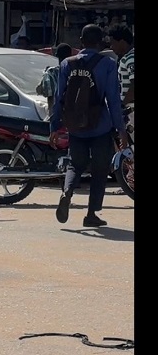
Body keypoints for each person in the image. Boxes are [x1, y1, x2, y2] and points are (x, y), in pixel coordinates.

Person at [50, 25, 128, 228]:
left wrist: (54, 127)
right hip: (100, 126)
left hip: (75, 126)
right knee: (100, 170)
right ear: (101, 42)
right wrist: (120, 129)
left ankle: (67, 192)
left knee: (75, 164)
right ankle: (91, 214)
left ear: (81, 41)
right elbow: (112, 99)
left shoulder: (67, 63)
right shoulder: (108, 64)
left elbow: (59, 98)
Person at [36, 43, 73, 115]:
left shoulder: (51, 72)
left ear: (56, 56)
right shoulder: (74, 72)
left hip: (55, 114)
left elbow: (39, 90)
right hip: (71, 114)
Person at [107, 24, 134, 106]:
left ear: (122, 42)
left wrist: (122, 105)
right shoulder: (126, 57)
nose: (111, 47)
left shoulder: (130, 58)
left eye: (113, 43)